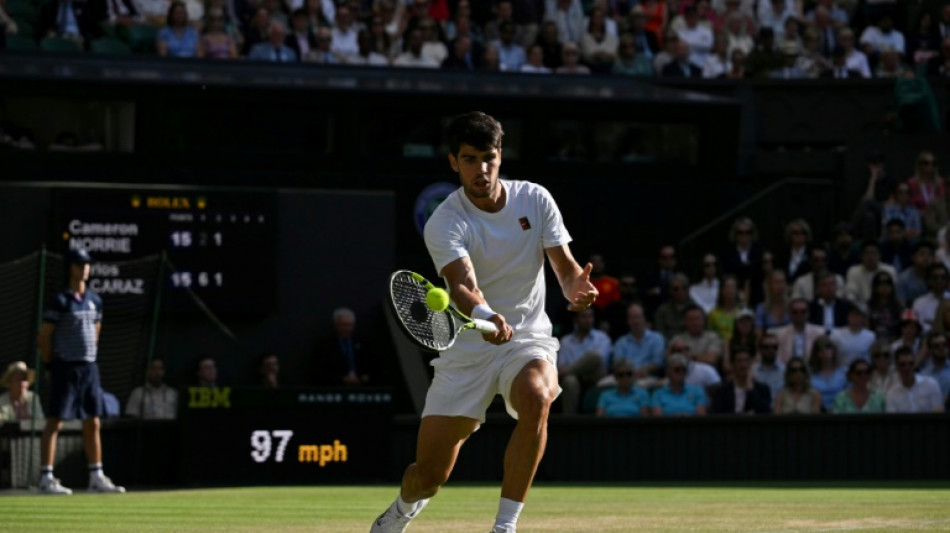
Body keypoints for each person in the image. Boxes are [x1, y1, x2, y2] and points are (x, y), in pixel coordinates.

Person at [370, 111, 598, 533]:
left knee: (536, 396)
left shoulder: (535, 199)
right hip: (467, 349)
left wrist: (573, 289)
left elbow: (565, 269)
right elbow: (461, 284)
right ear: (454, 162)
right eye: (471, 159)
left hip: (526, 339)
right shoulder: (445, 221)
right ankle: (403, 508)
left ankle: (504, 526)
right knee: (429, 477)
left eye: (489, 157)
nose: (482, 169)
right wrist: (485, 316)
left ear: (500, 155)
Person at [36, 248, 124, 495]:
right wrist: (51, 364)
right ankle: (46, 477)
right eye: (79, 264)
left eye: (87, 264)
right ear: (70, 268)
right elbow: (44, 337)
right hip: (65, 367)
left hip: (89, 367)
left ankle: (96, 475)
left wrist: (89, 356)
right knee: (55, 421)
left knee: (93, 421)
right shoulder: (60, 300)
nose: (84, 268)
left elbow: (96, 330)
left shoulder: (95, 300)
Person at [557, 307, 610, 414]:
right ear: (576, 320)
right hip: (574, 378)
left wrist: (569, 369)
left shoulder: (602, 337)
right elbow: (560, 366)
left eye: (590, 316)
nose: (588, 320)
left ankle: (570, 371)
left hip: (596, 376)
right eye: (584, 316)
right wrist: (575, 370)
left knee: (594, 356)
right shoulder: (566, 341)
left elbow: (600, 361)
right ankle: (569, 423)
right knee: (569, 381)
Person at [315, 307, 374, 387]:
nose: (346, 329)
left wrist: (364, 376)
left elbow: (371, 365)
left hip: (362, 388)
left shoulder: (363, 343)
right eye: (343, 325)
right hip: (335, 388)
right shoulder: (325, 345)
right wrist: (342, 379)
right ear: (336, 325)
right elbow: (320, 371)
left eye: (349, 325)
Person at [607, 303, 664, 381]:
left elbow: (658, 363)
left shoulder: (657, 338)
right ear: (628, 321)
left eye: (638, 317)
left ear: (644, 318)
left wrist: (642, 371)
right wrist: (630, 373)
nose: (635, 321)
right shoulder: (621, 342)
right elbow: (617, 364)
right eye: (631, 318)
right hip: (624, 377)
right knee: (602, 384)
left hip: (647, 377)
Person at [709, 345, 772, 414]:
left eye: (746, 360)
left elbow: (765, 413)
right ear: (733, 364)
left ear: (751, 363)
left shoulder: (762, 389)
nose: (743, 365)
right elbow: (716, 415)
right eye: (739, 361)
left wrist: (751, 389)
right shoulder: (722, 391)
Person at [886, 346, 944, 413]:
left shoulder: (931, 385)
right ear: (897, 367)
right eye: (902, 364)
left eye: (911, 364)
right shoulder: (892, 393)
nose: (907, 368)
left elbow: (938, 413)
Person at [671, 304, 722, 369]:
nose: (695, 322)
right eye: (691, 319)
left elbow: (711, 360)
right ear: (685, 321)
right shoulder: (677, 339)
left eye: (697, 319)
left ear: (704, 320)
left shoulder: (713, 337)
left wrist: (689, 356)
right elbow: (670, 361)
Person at [807, 335, 847, 411]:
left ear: (834, 351)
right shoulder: (810, 374)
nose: (824, 351)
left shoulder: (843, 372)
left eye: (828, 348)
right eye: (820, 349)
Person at [866, 272, 903, 342]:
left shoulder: (899, 306)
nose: (884, 286)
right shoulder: (869, 306)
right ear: (875, 287)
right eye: (880, 284)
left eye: (887, 283)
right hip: (873, 342)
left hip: (895, 341)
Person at [752, 333, 785, 399]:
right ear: (760, 349)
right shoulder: (752, 371)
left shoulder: (784, 370)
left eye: (774, 347)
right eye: (766, 347)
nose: (770, 350)